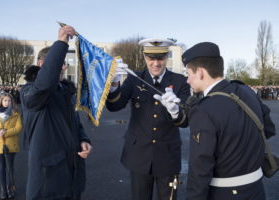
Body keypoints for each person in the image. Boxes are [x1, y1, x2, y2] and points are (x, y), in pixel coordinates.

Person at [182, 42, 276, 200]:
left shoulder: (204, 110)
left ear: (200, 72)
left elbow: (200, 170)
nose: (188, 81)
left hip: (225, 193)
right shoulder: (246, 91)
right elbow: (269, 130)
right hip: (256, 189)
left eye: (189, 74)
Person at [106, 38, 190, 200]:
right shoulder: (134, 78)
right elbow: (115, 106)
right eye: (151, 58)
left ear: (167, 57)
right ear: (144, 57)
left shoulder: (180, 82)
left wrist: (175, 111)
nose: (156, 63)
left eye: (161, 58)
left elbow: (185, 121)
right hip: (139, 156)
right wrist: (114, 84)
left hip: (168, 156)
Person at [20, 25, 92, 200]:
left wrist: (83, 139)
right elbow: (44, 84)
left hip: (71, 171)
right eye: (59, 64)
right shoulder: (30, 91)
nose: (63, 68)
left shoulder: (64, 91)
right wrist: (61, 44)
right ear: (42, 65)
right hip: (48, 177)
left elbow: (74, 122)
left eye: (64, 64)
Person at [0, 92, 22, 199]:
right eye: (5, 100)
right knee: (1, 168)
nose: (7, 102)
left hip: (11, 144)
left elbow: (18, 128)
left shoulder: (15, 113)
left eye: (9, 100)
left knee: (10, 168)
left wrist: (5, 132)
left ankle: (10, 188)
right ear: (1, 101)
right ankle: (3, 189)